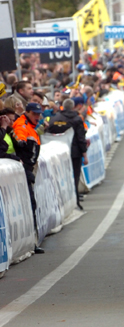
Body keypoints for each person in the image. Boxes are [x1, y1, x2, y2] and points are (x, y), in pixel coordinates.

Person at [11, 102, 44, 254]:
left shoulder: (31, 126)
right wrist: (20, 141)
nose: (38, 117)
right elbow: (19, 132)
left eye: (39, 114)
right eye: (35, 114)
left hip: (28, 168)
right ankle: (31, 242)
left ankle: (32, 241)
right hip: (23, 169)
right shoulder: (22, 124)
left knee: (31, 204)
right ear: (28, 112)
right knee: (30, 204)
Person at [46, 98, 88, 210]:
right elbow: (81, 137)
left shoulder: (54, 118)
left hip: (57, 153)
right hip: (74, 152)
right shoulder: (77, 119)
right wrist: (84, 154)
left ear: (62, 106)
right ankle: (76, 202)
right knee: (75, 176)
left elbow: (49, 134)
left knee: (62, 177)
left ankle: (64, 203)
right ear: (73, 107)